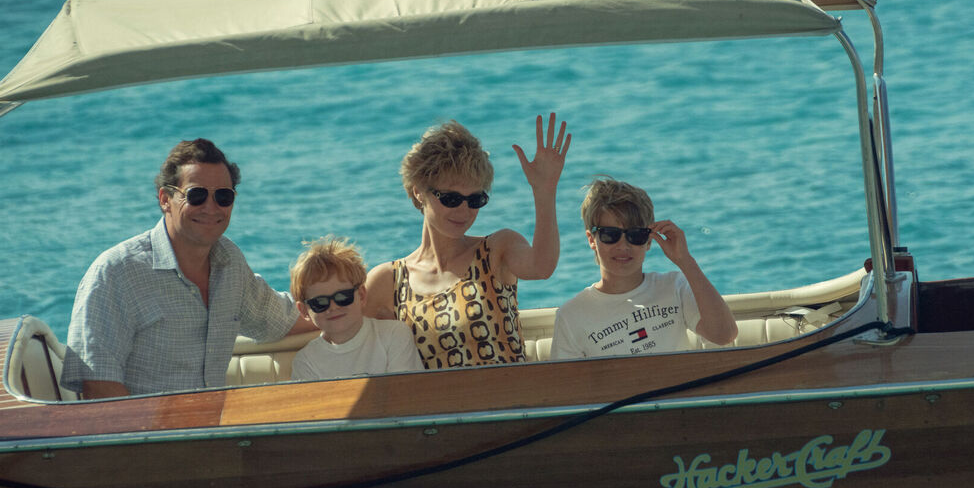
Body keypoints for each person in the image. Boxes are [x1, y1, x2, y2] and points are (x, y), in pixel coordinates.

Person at [61, 138, 315, 398]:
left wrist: (351, 299)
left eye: (223, 197)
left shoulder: (229, 262)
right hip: (146, 435)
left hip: (213, 430)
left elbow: (278, 317)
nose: (211, 207)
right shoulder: (116, 273)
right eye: (197, 195)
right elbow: (98, 385)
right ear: (164, 199)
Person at [364, 113, 571, 369]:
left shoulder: (496, 250)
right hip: (439, 407)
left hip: (513, 403)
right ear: (418, 190)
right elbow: (338, 322)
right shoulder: (388, 281)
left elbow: (542, 266)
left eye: (475, 200)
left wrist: (545, 190)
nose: (464, 211)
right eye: (451, 199)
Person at [551, 177, 738, 359]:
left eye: (635, 235)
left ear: (649, 240)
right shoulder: (570, 316)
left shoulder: (675, 286)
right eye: (610, 235)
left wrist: (686, 261)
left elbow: (724, 335)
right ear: (592, 240)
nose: (623, 246)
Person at [289, 236, 422, 380]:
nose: (333, 307)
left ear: (362, 295)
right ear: (303, 310)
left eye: (343, 297)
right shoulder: (305, 362)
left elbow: (404, 395)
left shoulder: (394, 335)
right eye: (320, 303)